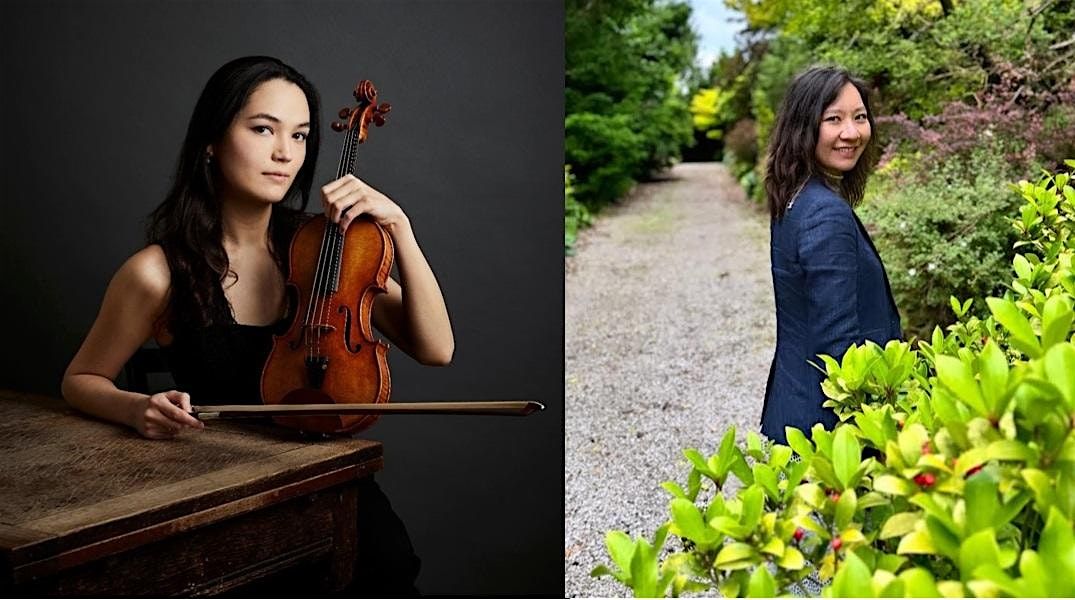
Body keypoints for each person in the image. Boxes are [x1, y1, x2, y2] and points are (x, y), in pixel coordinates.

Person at [60, 55, 453, 594]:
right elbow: (80, 380)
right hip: (223, 502)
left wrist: (399, 229)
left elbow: (436, 349)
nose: (284, 153)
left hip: (329, 489)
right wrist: (136, 407)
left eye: (300, 135)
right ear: (211, 142)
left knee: (384, 570)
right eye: (263, 129)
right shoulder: (157, 273)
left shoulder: (327, 250)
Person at [759, 66, 902, 446]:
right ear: (805, 127)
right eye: (833, 119)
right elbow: (837, 344)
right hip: (827, 428)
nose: (851, 133)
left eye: (860, 117)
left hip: (795, 402)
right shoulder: (825, 213)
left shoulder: (795, 198)